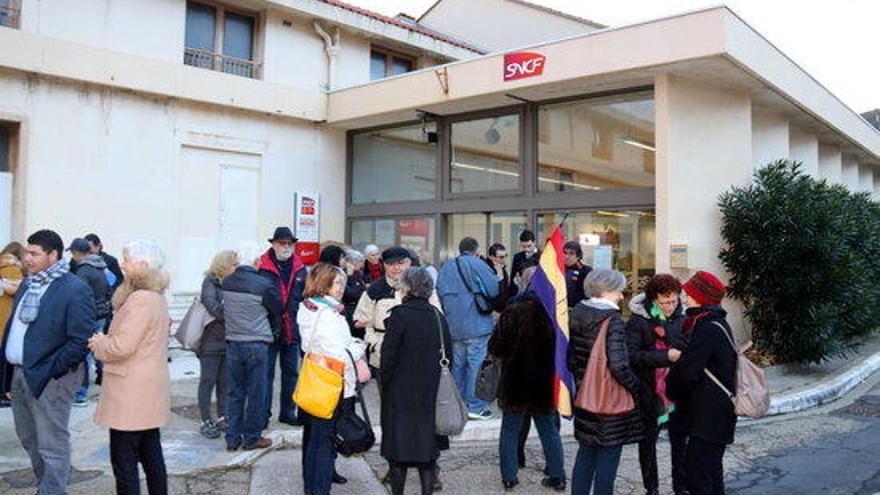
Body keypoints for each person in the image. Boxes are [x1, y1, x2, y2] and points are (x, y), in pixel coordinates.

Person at [0, 229, 95, 495]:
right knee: (29, 438)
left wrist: (52, 370)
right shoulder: (28, 284)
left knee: (51, 442)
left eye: (34, 253)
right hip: (20, 374)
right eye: (27, 252)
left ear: (53, 255)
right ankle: (47, 487)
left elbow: (81, 340)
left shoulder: (74, 289)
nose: (26, 259)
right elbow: (14, 330)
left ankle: (52, 491)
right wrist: (8, 374)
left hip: (53, 378)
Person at [353, 246, 443, 488]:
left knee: (426, 416)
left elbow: (437, 317)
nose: (396, 268)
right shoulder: (375, 289)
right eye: (391, 264)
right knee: (394, 415)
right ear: (383, 265)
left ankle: (431, 467)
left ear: (408, 264)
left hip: (420, 360)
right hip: (386, 356)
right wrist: (377, 331)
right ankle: (395, 465)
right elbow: (359, 320)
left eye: (400, 263)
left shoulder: (425, 288)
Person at [89, 240, 171, 495]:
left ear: (143, 265)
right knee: (151, 456)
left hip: (130, 395)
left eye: (127, 260)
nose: (122, 264)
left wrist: (99, 342)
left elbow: (122, 346)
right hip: (143, 393)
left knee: (125, 464)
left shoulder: (140, 300)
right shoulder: (155, 297)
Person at [568, 269, 645, 495]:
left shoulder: (578, 312)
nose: (622, 297)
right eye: (619, 291)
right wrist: (636, 387)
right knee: (608, 460)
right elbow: (619, 366)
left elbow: (572, 357)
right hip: (610, 402)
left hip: (585, 395)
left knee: (585, 454)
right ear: (605, 291)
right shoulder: (612, 321)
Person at [489, 266, 566, 492]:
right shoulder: (555, 314)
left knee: (510, 430)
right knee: (548, 429)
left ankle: (509, 476)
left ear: (525, 284)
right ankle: (557, 475)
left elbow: (496, 347)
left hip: (516, 381)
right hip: (545, 382)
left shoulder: (513, 312)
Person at [380, 267, 451, 495]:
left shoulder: (399, 315)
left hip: (400, 395)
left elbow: (387, 358)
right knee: (427, 457)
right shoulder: (438, 317)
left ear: (408, 288)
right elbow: (449, 356)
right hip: (431, 395)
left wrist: (386, 385)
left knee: (398, 457)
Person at [297, 263, 366, 495]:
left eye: (343, 283)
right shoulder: (327, 314)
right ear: (324, 283)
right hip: (332, 386)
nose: (342, 288)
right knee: (324, 444)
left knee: (315, 441)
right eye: (338, 283)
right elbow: (340, 355)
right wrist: (358, 347)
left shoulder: (311, 308)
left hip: (318, 383)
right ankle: (319, 489)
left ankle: (312, 487)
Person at [667, 271, 736, 495]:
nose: (684, 297)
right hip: (715, 415)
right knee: (711, 473)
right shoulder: (715, 323)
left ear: (700, 296)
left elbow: (688, 372)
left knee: (698, 477)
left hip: (708, 417)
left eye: (688, 293)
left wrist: (672, 387)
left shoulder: (707, 328)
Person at [626, 274, 687, 495]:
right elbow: (632, 355)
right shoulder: (638, 321)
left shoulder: (683, 317)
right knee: (648, 444)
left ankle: (681, 487)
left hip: (678, 392)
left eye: (674, 301)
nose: (670, 306)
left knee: (680, 442)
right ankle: (651, 487)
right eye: (665, 302)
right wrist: (664, 357)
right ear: (653, 299)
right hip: (649, 392)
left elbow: (688, 345)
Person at [223, 243, 283, 451]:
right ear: (257, 261)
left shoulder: (227, 281)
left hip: (232, 342)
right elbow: (278, 308)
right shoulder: (263, 283)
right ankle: (251, 437)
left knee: (235, 392)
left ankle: (232, 438)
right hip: (256, 343)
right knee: (257, 392)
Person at [436, 237, 500, 420]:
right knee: (475, 365)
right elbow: (493, 290)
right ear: (476, 250)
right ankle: (474, 406)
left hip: (453, 326)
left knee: (458, 364)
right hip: (477, 324)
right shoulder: (478, 264)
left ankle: (458, 404)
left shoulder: (446, 267)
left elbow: (439, 294)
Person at [258, 227, 308, 427]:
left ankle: (287, 412)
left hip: (291, 329)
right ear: (273, 244)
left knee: (291, 374)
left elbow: (306, 295)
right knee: (266, 375)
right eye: (282, 243)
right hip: (268, 328)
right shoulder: (262, 265)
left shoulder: (300, 268)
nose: (286, 247)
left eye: (289, 243)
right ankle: (263, 415)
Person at [197, 250, 238, 439]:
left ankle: (223, 416)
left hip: (226, 340)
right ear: (225, 265)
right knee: (208, 381)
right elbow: (210, 304)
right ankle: (205, 419)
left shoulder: (231, 282)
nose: (237, 267)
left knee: (224, 381)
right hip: (210, 341)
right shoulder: (210, 281)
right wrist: (231, 313)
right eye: (234, 264)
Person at [69, 237, 112, 406]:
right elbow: (109, 291)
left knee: (84, 354)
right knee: (99, 350)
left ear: (77, 253)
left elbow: (78, 296)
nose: (71, 257)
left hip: (89, 316)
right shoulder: (100, 267)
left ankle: (80, 394)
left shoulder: (83, 271)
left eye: (72, 253)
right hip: (101, 314)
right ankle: (108, 383)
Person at [0, 241, 25, 408]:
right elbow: (18, 289)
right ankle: (3, 393)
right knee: (3, 362)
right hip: (5, 318)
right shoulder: (13, 269)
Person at [341, 249, 367, 339]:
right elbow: (352, 294)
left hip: (359, 310)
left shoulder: (359, 275)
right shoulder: (344, 275)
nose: (361, 265)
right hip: (349, 311)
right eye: (359, 262)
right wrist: (350, 276)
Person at [485, 243, 514, 309]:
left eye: (505, 256)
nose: (504, 259)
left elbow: (506, 290)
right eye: (501, 257)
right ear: (491, 257)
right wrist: (500, 278)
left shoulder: (501, 268)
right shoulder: (486, 270)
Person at [563, 240, 592, 307]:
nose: (566, 256)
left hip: (578, 310)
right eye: (565, 253)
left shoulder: (587, 271)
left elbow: (589, 295)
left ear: (578, 256)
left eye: (571, 253)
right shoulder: (558, 269)